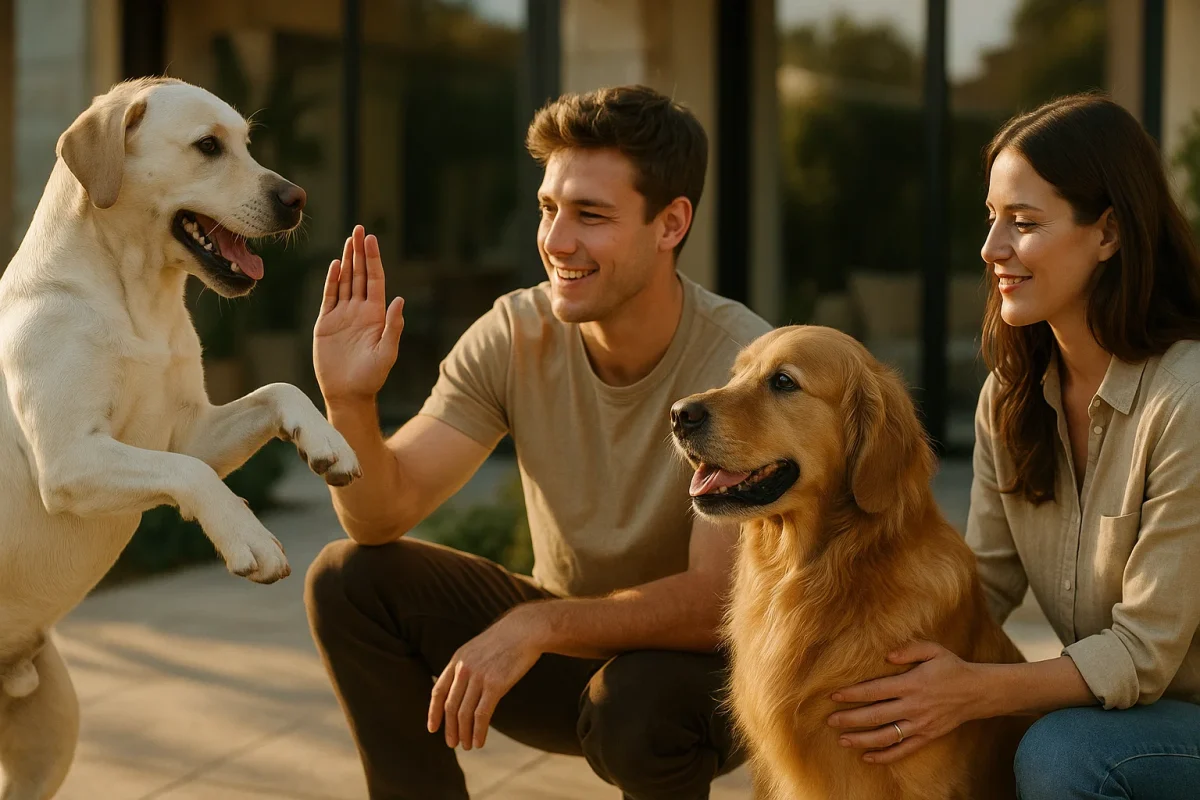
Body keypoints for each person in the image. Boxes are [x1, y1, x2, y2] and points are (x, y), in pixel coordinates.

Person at [303, 84, 773, 800]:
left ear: (670, 222)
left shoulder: (742, 364)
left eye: (590, 215)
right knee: (350, 579)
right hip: (570, 658)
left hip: (706, 680)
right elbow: (379, 514)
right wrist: (350, 401)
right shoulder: (515, 334)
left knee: (637, 701)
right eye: (550, 208)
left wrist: (537, 623)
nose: (556, 241)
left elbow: (715, 604)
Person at [822, 92, 1200, 796]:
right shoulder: (1012, 393)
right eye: (992, 218)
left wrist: (970, 691)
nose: (992, 249)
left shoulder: (1187, 400)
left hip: (1182, 723)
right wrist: (869, 650)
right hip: (1124, 712)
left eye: (1023, 223)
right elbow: (984, 581)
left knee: (1061, 754)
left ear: (1109, 234)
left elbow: (1145, 653)